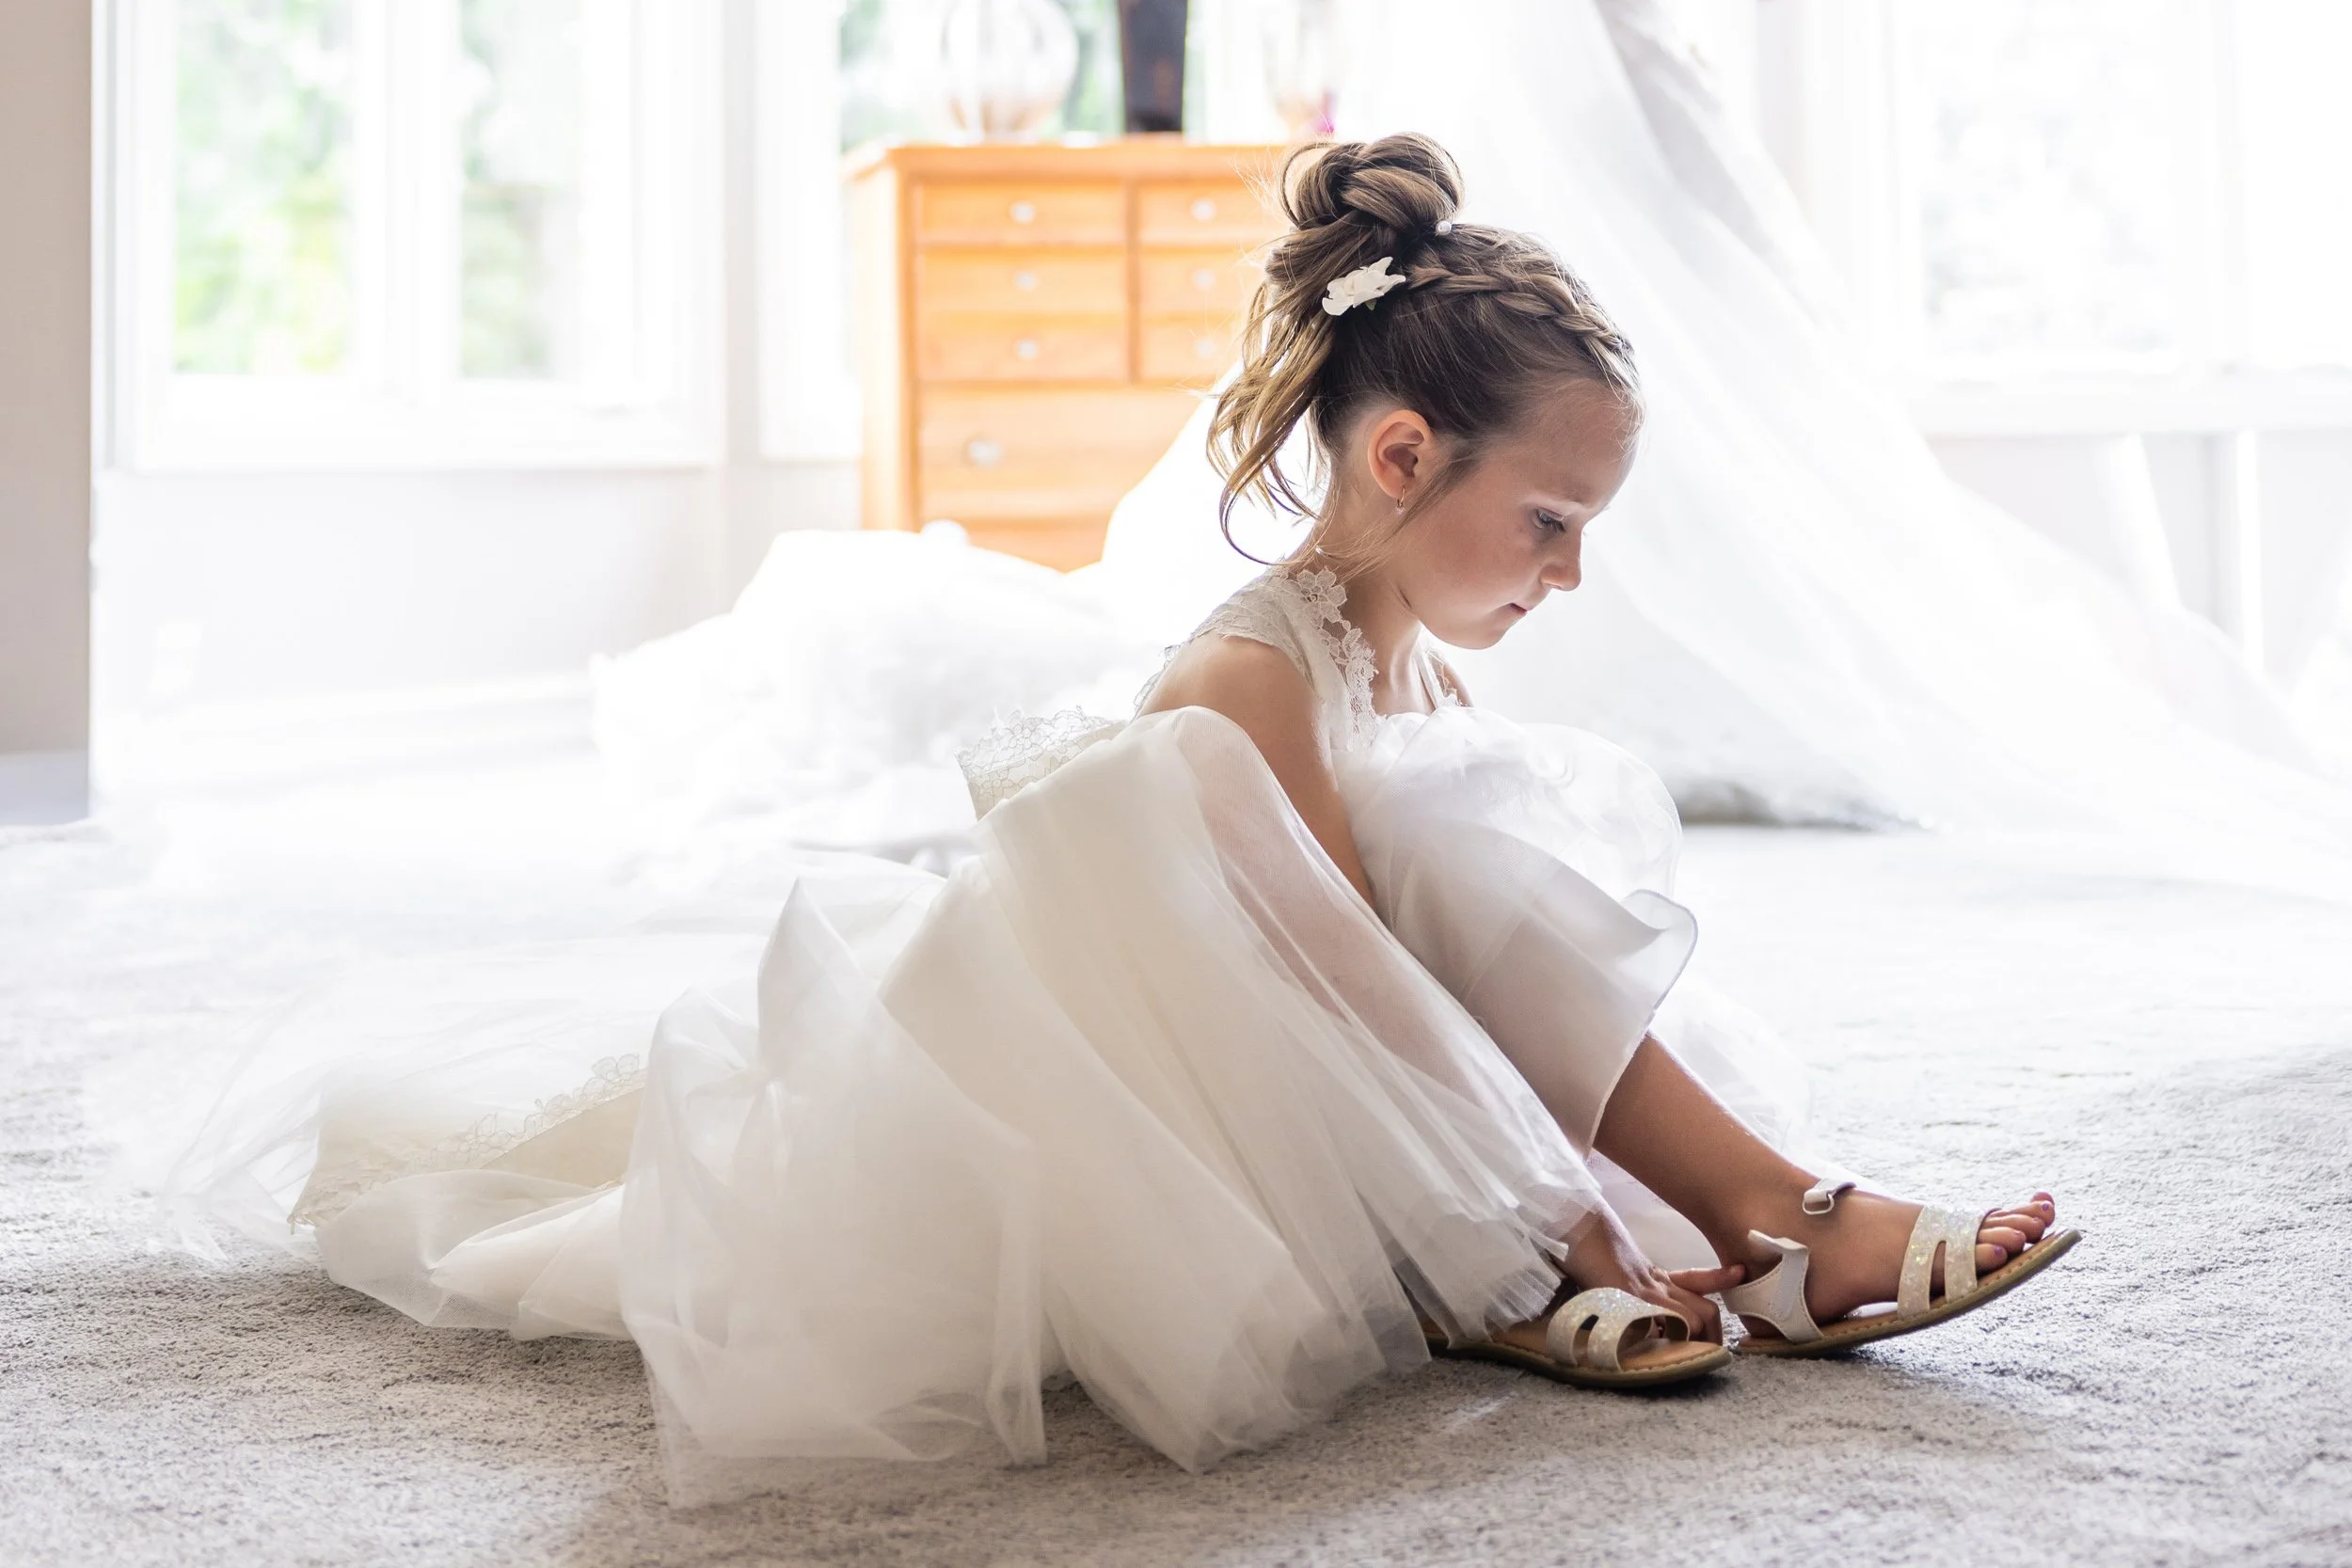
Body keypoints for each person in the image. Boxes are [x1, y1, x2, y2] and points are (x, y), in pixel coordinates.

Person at [156, 133, 2074, 1504]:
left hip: (1310, 1056)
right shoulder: (1256, 668)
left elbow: (1450, 976)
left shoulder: (1410, 653)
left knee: (1478, 835)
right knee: (1442, 866)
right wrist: (1548, 1207)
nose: (1568, 571)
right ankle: (1753, 1213)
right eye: (1550, 521)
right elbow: (1362, 996)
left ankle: (1735, 1201)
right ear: (1398, 457)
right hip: (1123, 1061)